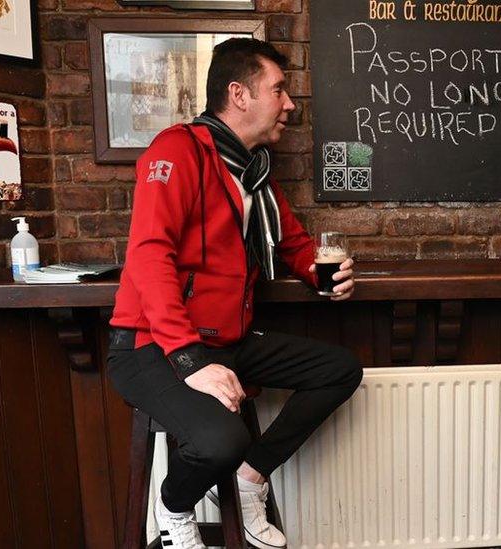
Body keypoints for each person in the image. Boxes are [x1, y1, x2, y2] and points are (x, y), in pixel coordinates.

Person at [108, 38, 363, 549]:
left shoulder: (256, 173)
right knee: (220, 441)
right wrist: (190, 359)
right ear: (239, 95)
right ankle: (173, 506)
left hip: (227, 339)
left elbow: (294, 246)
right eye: (279, 89)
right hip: (150, 346)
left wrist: (323, 274)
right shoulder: (176, 151)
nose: (289, 103)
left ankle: (251, 481)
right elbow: (149, 256)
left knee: (339, 370)